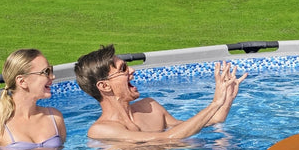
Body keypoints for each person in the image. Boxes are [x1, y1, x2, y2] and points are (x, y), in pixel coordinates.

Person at [75, 44, 245, 142]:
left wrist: (226, 100)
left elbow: (199, 125)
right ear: (105, 86)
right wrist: (214, 104)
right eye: (123, 69)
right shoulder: (100, 130)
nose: (132, 70)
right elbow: (168, 139)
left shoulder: (150, 107)